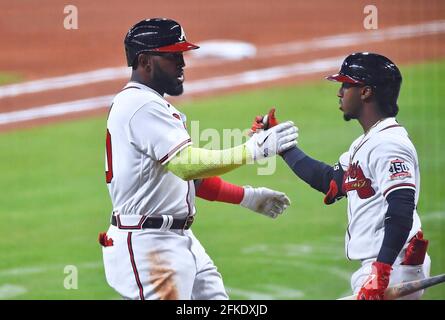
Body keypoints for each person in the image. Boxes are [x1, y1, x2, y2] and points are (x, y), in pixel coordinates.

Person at [98, 18, 298, 300]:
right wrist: (252, 150)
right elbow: (186, 164)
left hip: (177, 239)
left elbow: (192, 180)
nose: (182, 63)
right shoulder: (140, 105)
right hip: (149, 247)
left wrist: (247, 197)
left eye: (181, 55)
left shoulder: (151, 104)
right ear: (145, 61)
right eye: (172, 56)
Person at [252, 53, 431, 300]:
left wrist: (381, 272)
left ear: (366, 92)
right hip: (385, 267)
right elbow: (329, 180)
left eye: (346, 85)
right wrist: (283, 147)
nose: (340, 92)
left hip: (393, 267)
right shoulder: (367, 142)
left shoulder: (389, 145)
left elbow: (400, 210)